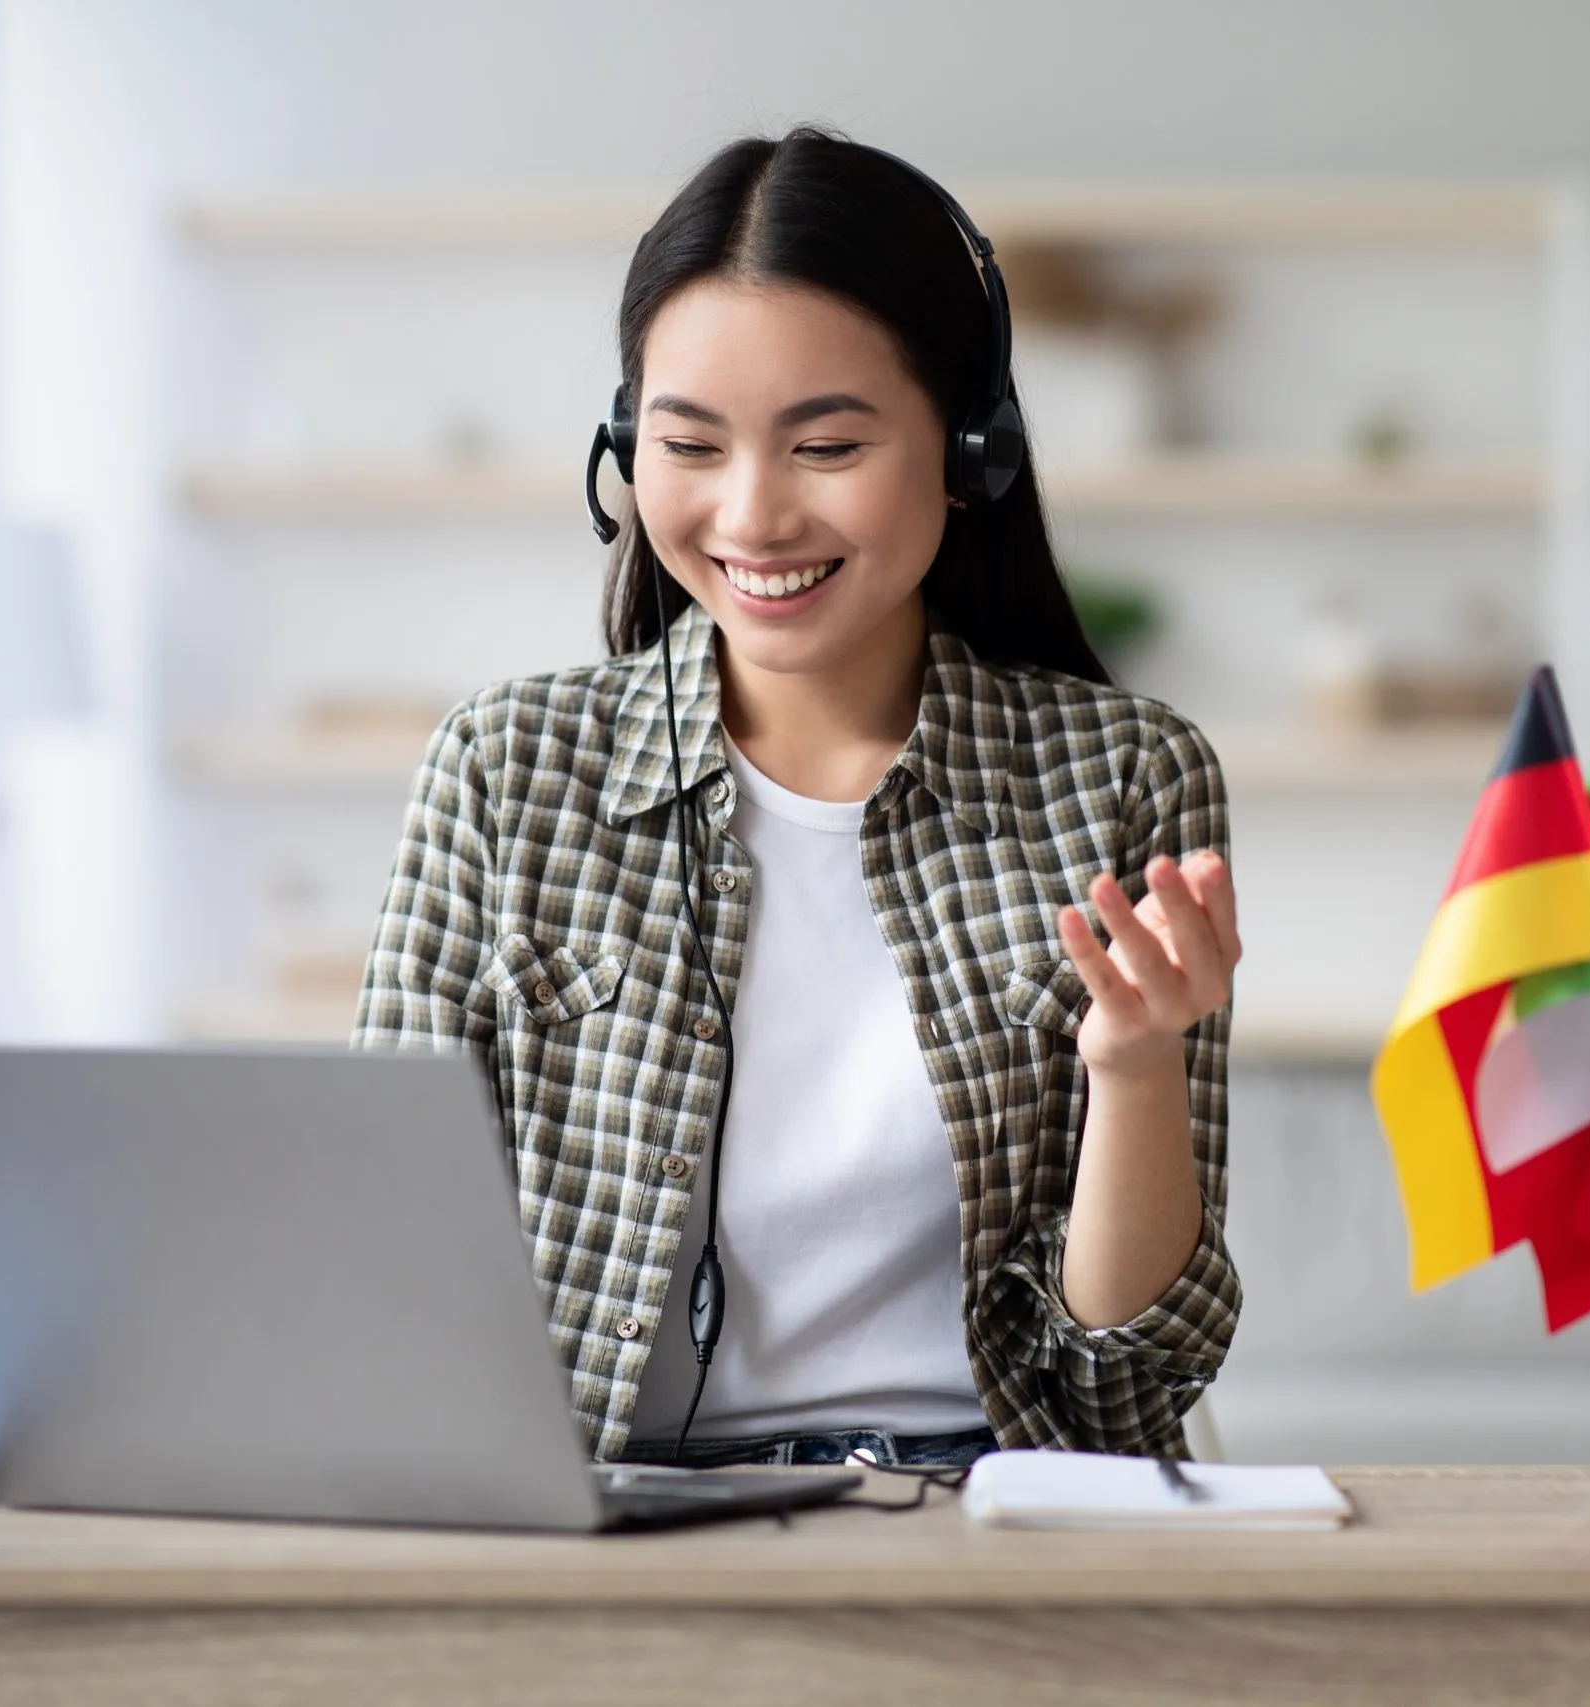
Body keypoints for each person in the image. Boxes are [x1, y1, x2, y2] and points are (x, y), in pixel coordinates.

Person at [353, 126, 1241, 1471]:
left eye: (825, 444)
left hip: (974, 1525)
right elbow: (378, 1276)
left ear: (969, 447)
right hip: (596, 1533)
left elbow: (1121, 1404)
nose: (754, 515)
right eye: (690, 443)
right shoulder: (503, 769)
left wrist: (1131, 1068)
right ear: (623, 449)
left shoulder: (1123, 779)